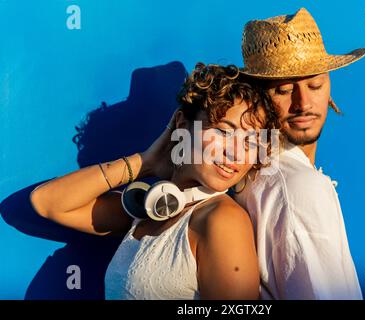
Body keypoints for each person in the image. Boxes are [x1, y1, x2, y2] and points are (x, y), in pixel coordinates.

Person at [30, 63, 279, 300]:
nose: (235, 153)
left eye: (251, 142)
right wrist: (145, 162)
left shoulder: (223, 220)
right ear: (182, 125)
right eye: (223, 131)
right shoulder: (149, 208)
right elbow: (47, 202)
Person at [234, 8, 365, 299]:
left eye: (315, 84)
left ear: (329, 87)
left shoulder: (252, 172)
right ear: (257, 98)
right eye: (283, 90)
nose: (303, 102)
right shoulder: (297, 187)